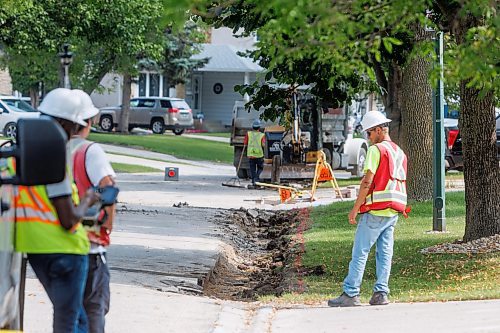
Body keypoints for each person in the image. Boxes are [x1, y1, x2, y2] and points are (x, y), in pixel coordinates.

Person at [14, 88, 100, 332]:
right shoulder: (53, 155)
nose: (76, 133)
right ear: (63, 123)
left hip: (35, 248)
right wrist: (87, 200)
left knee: (79, 320)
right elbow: (67, 218)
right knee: (69, 323)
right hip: (65, 251)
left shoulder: (18, 154)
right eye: (75, 127)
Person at [328, 111, 408, 307]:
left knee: (360, 252)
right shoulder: (399, 151)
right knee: (385, 253)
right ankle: (381, 293)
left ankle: (351, 293)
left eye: (369, 134)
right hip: (393, 210)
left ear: (379, 130)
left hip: (375, 211)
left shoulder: (376, 150)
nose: (368, 138)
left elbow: (367, 182)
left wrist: (355, 208)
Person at [70, 90, 116, 333]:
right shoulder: (90, 151)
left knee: (70, 313)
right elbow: (108, 190)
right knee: (95, 307)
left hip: (59, 245)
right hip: (89, 245)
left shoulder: (54, 150)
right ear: (87, 123)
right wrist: (108, 225)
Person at [244, 119, 265, 188]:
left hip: (250, 155)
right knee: (260, 168)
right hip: (259, 155)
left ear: (252, 127)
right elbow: (263, 144)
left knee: (252, 169)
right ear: (259, 127)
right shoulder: (262, 135)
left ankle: (254, 181)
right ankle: (257, 180)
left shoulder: (248, 133)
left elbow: (245, 143)